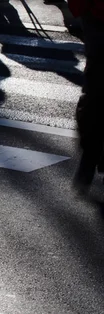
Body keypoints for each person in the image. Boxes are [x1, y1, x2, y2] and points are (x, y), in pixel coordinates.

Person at [69, 0, 104, 193]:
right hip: (97, 19)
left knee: (95, 91)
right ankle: (91, 156)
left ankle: (89, 157)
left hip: (96, 19)